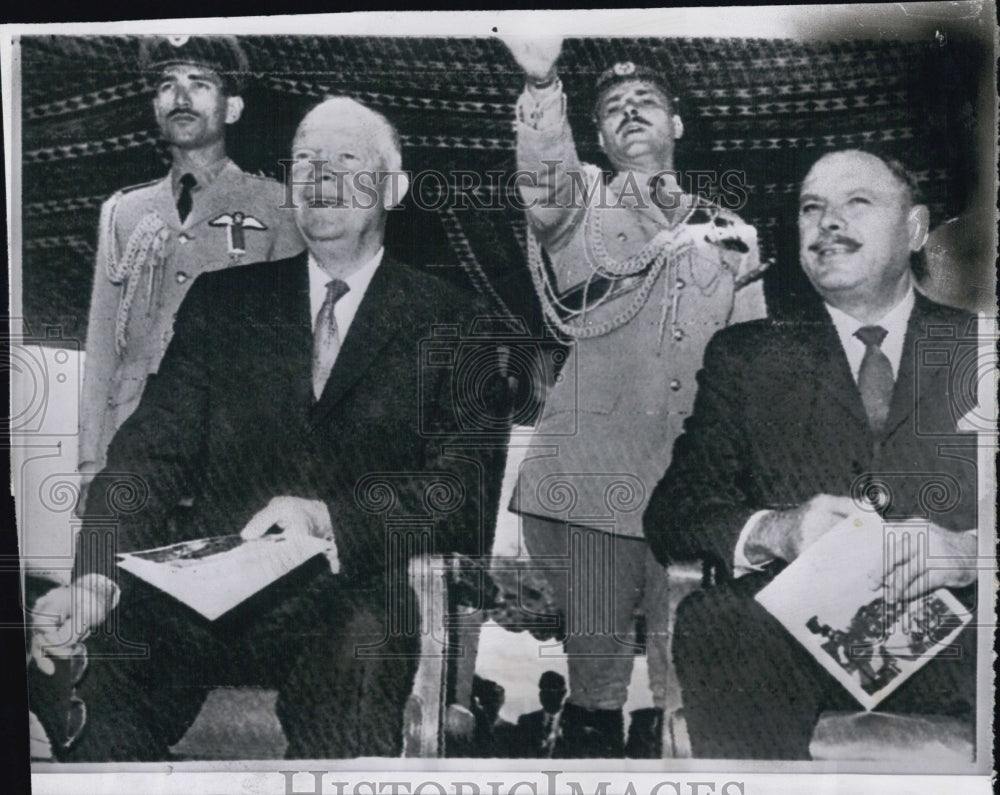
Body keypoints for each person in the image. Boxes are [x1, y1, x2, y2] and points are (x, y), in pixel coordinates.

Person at [29, 97, 503, 761]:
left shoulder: (458, 322)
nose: (322, 177)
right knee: (97, 667)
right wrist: (95, 579)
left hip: (353, 599)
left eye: (346, 160)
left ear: (392, 187)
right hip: (205, 607)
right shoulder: (225, 304)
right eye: (307, 161)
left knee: (363, 654)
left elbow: (465, 493)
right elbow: (145, 459)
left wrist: (328, 517)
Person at [644, 149, 980, 759]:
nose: (827, 222)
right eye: (811, 208)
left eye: (857, 202)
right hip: (799, 640)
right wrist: (778, 529)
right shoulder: (746, 357)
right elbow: (675, 511)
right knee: (718, 623)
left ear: (916, 230)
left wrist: (968, 551)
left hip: (970, 638)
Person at [500, 38, 767, 756]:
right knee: (596, 685)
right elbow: (544, 175)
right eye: (613, 110)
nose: (629, 112)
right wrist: (541, 84)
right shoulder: (578, 200)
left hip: (691, 481)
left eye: (646, 102)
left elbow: (754, 367)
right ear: (598, 136)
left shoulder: (733, 235)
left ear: (677, 125)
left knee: (689, 687)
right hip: (594, 477)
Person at [78, 35, 303, 485]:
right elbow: (103, 346)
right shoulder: (124, 213)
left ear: (232, 108)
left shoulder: (279, 207)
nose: (180, 97)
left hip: (231, 444)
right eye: (167, 85)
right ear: (155, 108)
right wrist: (90, 463)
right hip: (134, 437)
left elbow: (293, 352)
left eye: (199, 84)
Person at [514, 670, 567, 758]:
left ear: (563, 693)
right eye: (543, 689)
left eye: (552, 689)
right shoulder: (526, 721)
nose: (546, 694)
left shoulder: (574, 721)